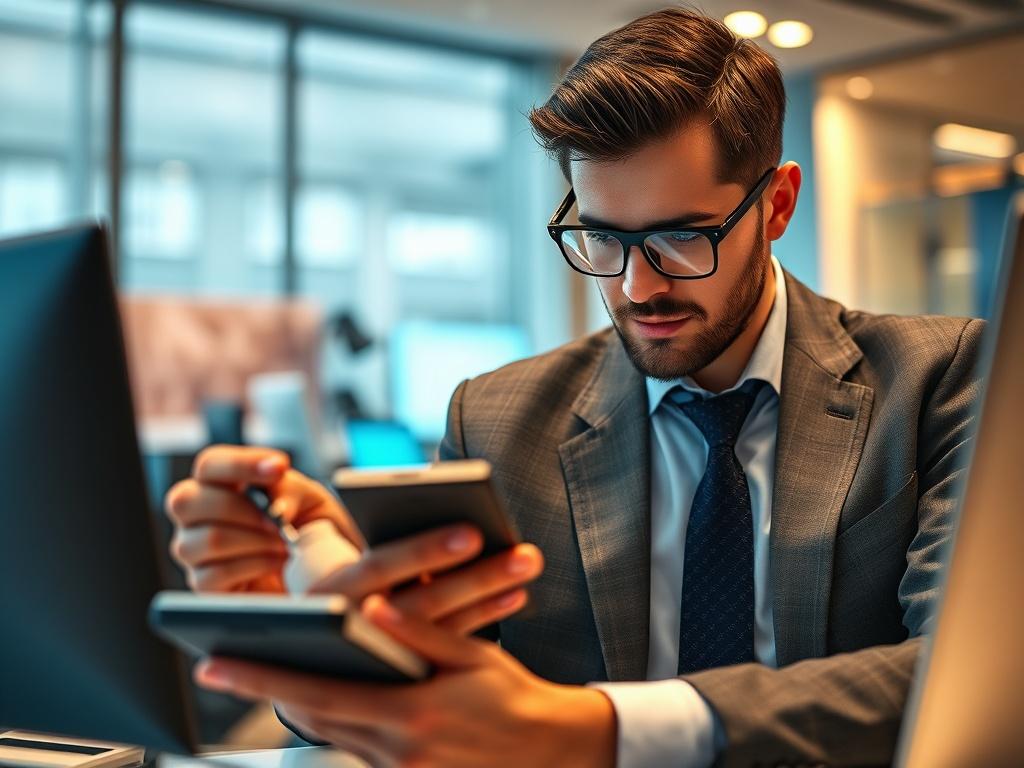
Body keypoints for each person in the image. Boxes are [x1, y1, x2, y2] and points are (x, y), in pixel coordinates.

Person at [165, 7, 985, 767]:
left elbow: (967, 679)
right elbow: (435, 700)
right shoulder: (496, 418)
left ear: (775, 205)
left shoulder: (937, 381)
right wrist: (319, 623)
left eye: (678, 236)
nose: (635, 286)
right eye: (601, 236)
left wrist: (597, 729)